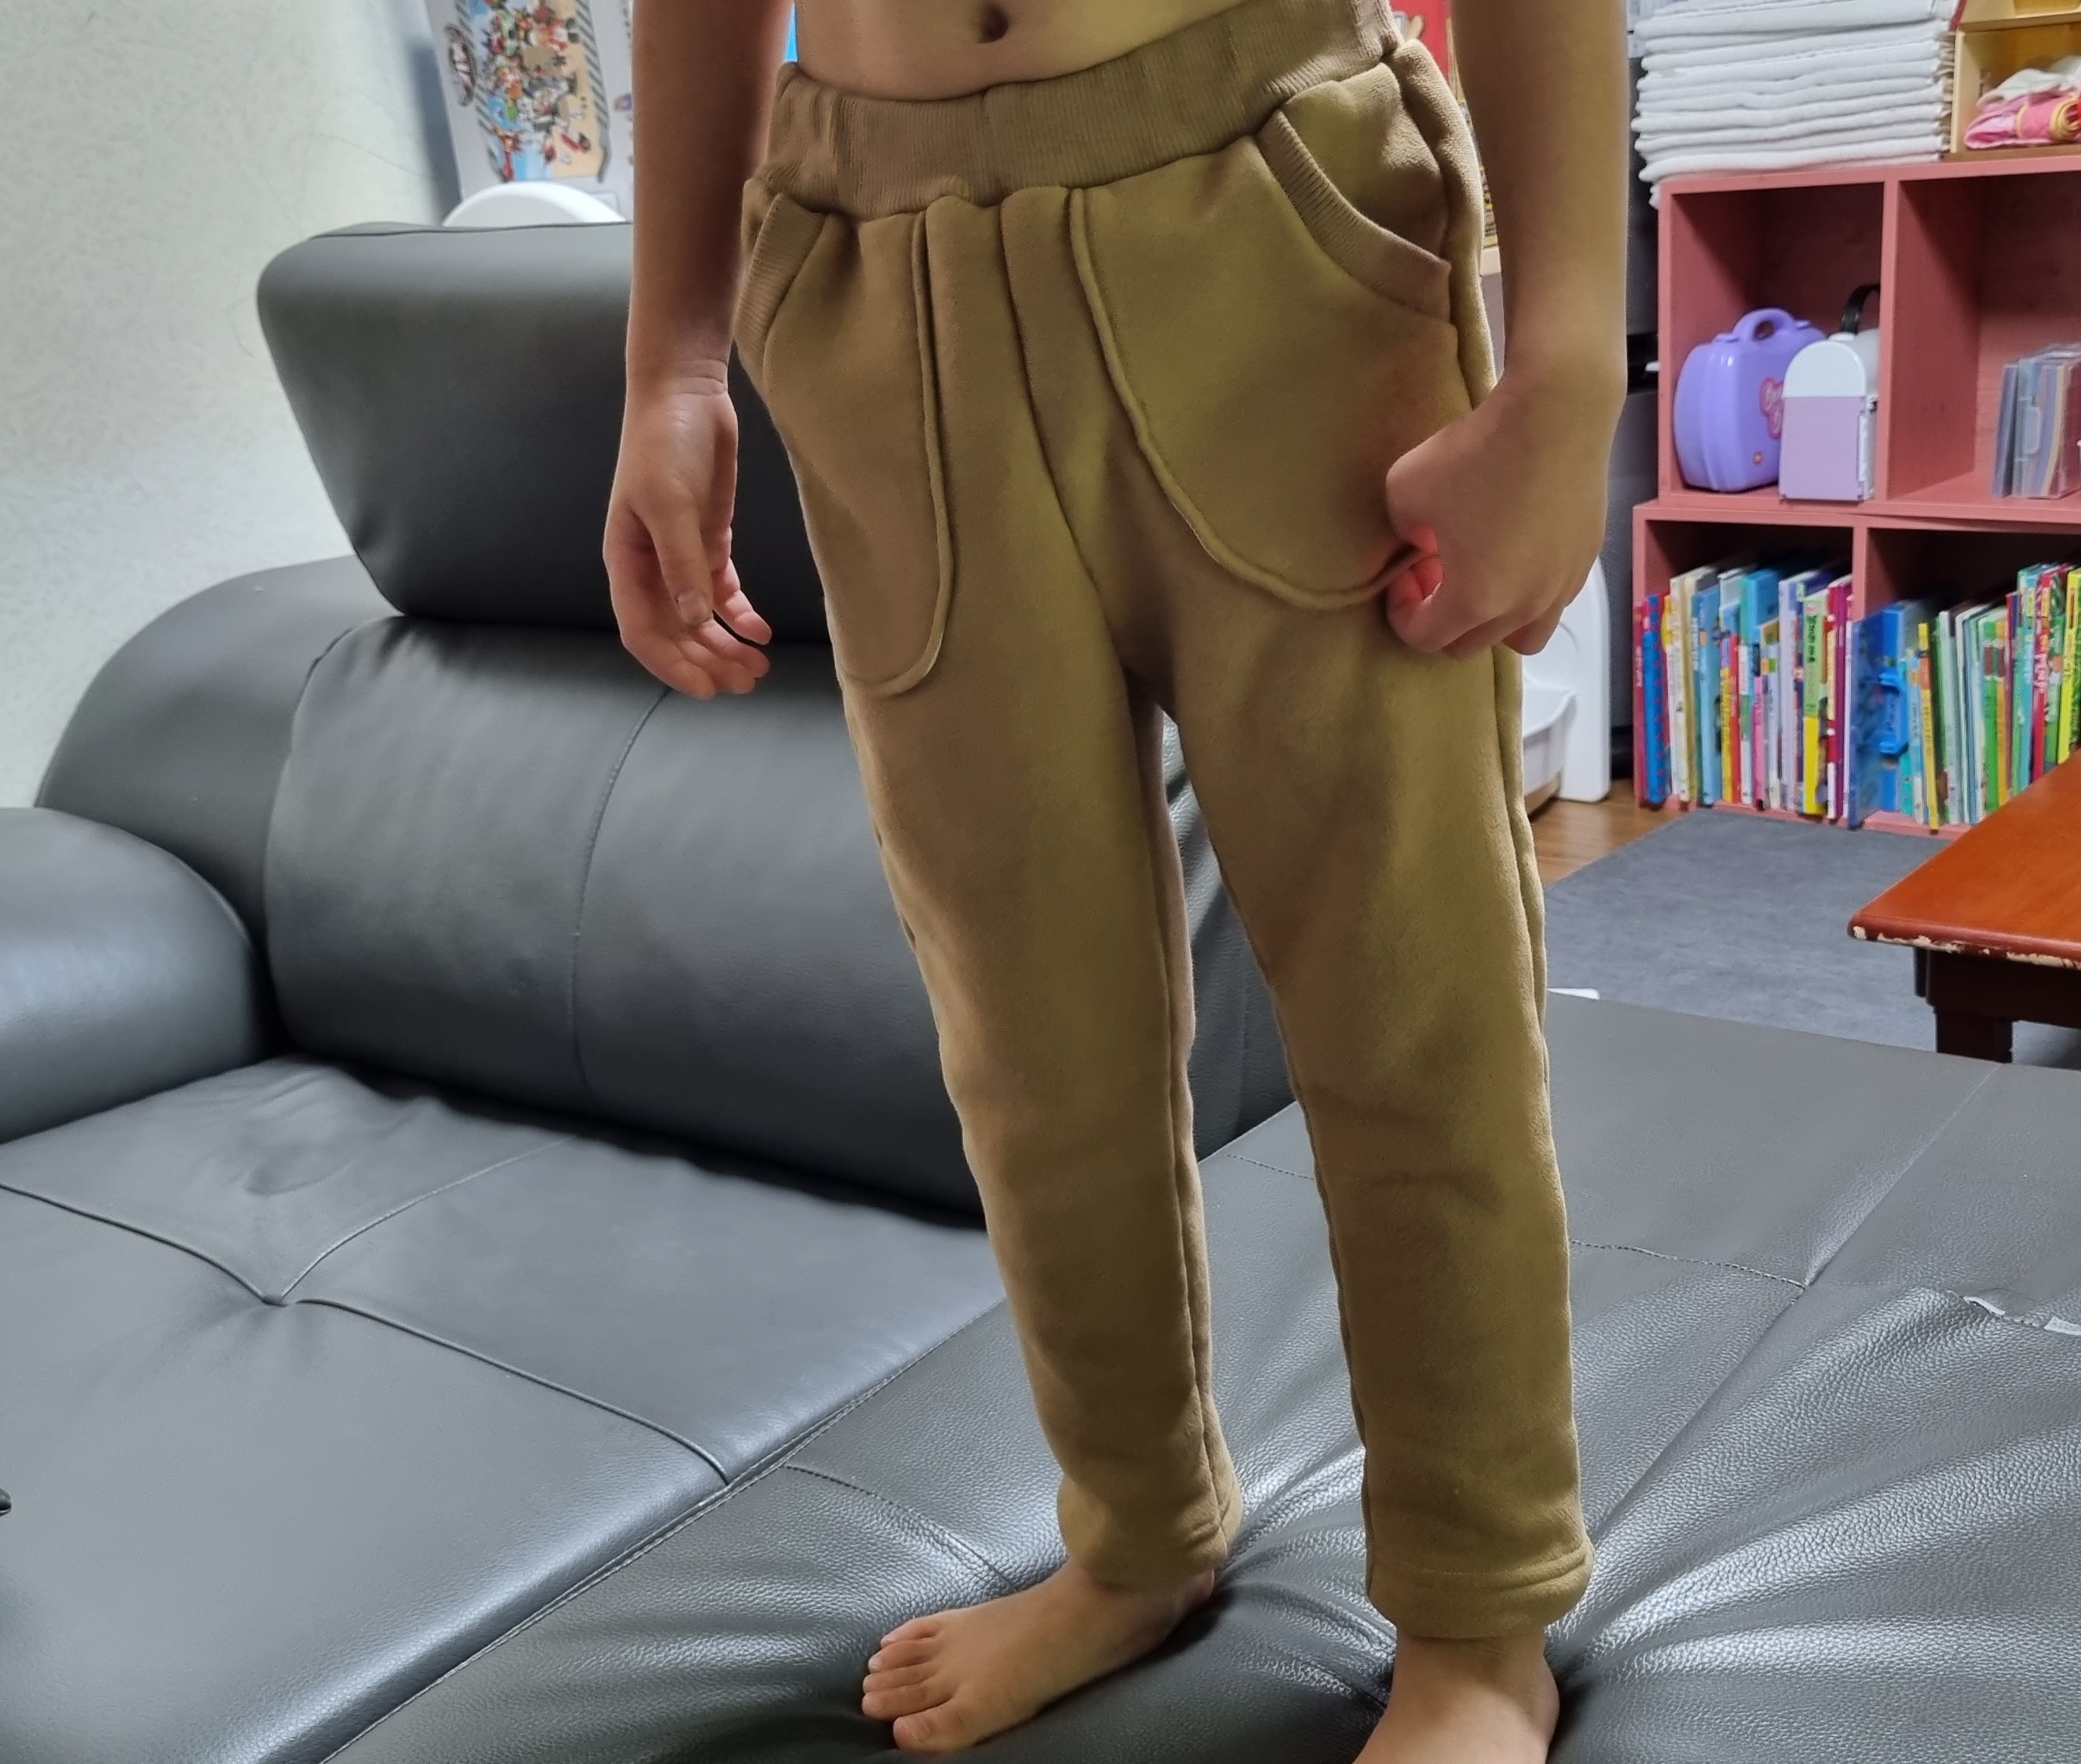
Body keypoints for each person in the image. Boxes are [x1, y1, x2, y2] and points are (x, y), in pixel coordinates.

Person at [602, 1, 1625, 1757]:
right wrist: (670, 365)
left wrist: (1573, 365)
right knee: (1028, 1031)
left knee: (1410, 985)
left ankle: (1479, 1622)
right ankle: (1136, 1542)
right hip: (868, 260)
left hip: (1267, 205)